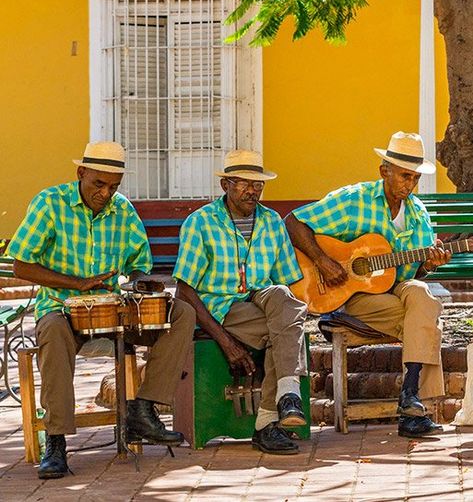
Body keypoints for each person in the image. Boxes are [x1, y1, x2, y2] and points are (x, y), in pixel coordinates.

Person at [8, 141, 195, 479]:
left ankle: (143, 409)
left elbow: (140, 264)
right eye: (98, 184)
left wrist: (141, 284)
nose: (106, 193)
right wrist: (77, 283)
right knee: (50, 331)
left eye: (113, 186)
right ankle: (56, 440)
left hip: (114, 311)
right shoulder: (51, 204)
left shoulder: (122, 210)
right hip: (62, 309)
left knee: (181, 313)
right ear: (81, 173)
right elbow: (22, 265)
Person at [285, 131, 450, 439]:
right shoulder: (353, 200)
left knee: (423, 297)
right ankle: (414, 408)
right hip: (355, 294)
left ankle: (410, 396)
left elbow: (414, 275)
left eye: (415, 179)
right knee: (425, 319)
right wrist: (322, 260)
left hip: (396, 291)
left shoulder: (418, 214)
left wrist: (428, 264)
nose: (409, 185)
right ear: (383, 170)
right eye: (404, 176)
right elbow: (293, 221)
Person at [174, 149, 308, 455]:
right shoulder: (201, 223)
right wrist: (225, 341)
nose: (253, 191)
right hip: (220, 308)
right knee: (288, 328)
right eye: (243, 183)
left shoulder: (272, 222)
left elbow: (285, 280)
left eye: (258, 184)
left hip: (262, 301)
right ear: (225, 186)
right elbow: (184, 290)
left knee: (283, 300)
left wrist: (286, 311)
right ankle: (270, 420)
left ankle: (285, 400)